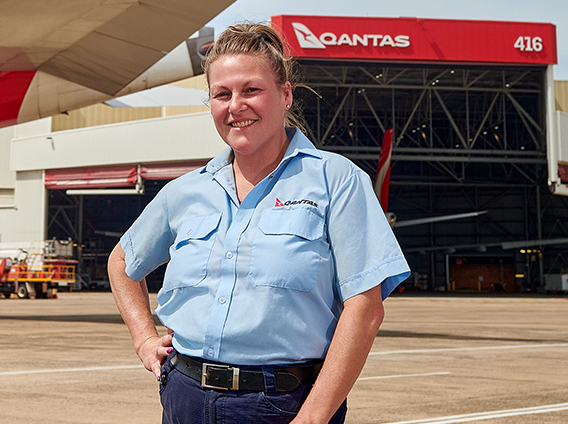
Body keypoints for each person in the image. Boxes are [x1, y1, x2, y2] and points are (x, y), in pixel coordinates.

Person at [109, 22, 410, 424]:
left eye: (251, 90)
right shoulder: (185, 192)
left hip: (283, 405)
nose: (236, 105)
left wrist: (313, 417)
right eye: (222, 94)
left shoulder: (337, 181)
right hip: (184, 397)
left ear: (285, 95)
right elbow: (122, 263)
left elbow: (365, 308)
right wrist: (145, 340)